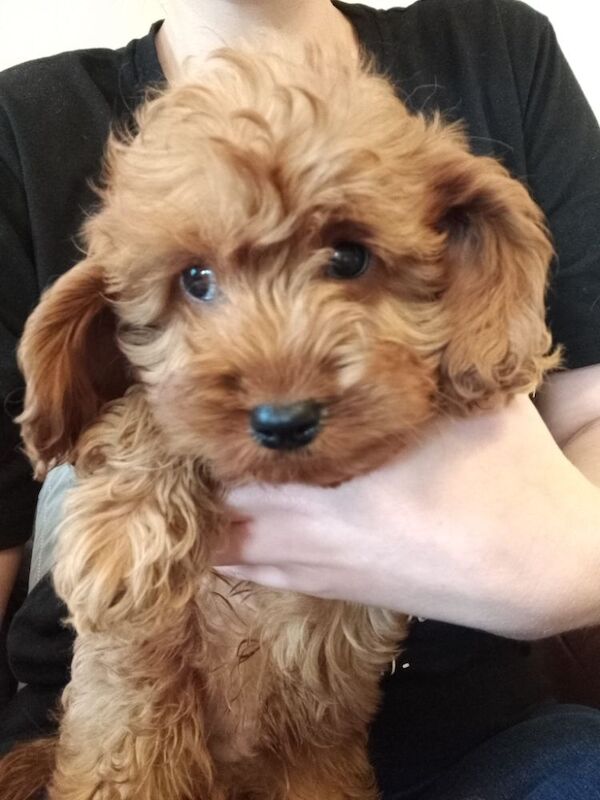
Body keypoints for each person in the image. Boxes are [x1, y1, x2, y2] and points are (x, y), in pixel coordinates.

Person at [1, 0, 599, 797]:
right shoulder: (21, 125)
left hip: (447, 730)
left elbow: (581, 411)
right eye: (199, 282)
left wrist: (572, 567)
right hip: (118, 734)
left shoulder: (502, 53)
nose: (280, 389)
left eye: (347, 259)